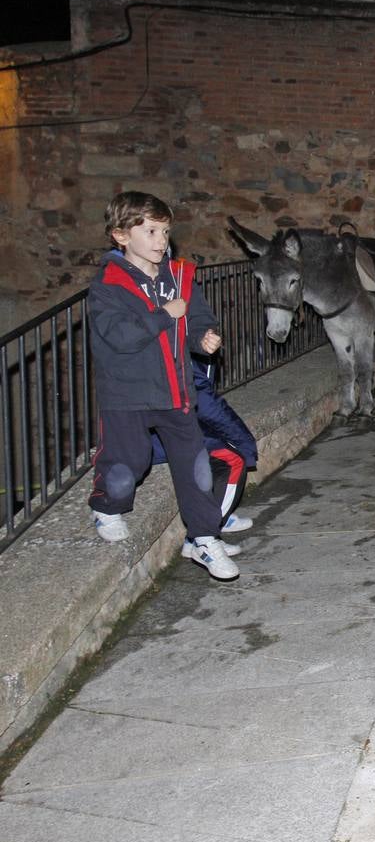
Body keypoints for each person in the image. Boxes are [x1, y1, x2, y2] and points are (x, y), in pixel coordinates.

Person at [87, 191, 241, 581]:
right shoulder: (109, 283)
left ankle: (204, 539)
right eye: (151, 231)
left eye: (165, 231)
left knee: (197, 469)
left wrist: (203, 337)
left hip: (176, 391)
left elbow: (197, 316)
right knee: (128, 466)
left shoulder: (179, 276)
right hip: (127, 395)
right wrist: (164, 315)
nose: (161, 240)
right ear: (121, 235)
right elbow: (119, 337)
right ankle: (106, 506)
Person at [151, 353, 258, 560]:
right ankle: (201, 537)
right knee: (233, 458)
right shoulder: (179, 340)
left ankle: (218, 516)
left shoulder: (188, 335)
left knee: (224, 446)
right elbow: (204, 401)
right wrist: (245, 441)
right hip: (162, 434)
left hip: (174, 425)